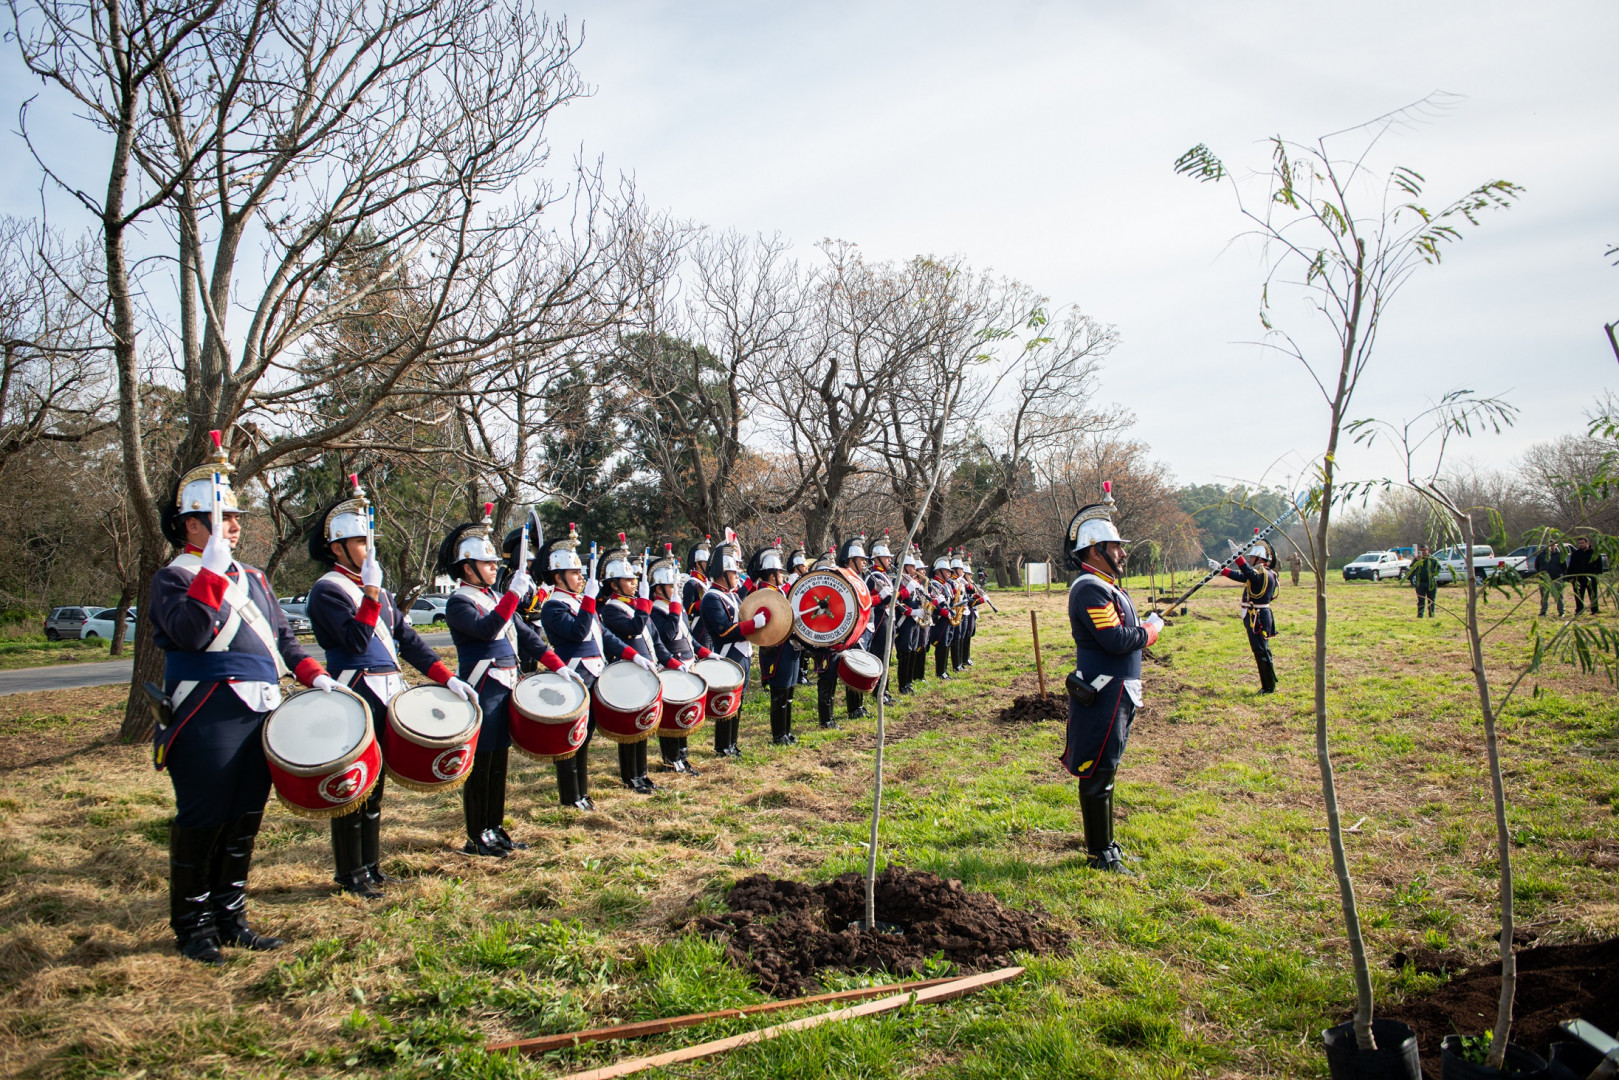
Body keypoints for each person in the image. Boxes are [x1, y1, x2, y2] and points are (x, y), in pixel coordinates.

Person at [149, 432, 334, 963]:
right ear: (192, 524)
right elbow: (190, 633)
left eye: (235, 518)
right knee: (204, 816)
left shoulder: (253, 577)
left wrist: (314, 677)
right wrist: (208, 571)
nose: (235, 527)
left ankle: (232, 917)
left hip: (262, 708)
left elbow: (283, 640)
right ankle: (193, 926)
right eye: (224, 518)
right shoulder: (174, 577)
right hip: (208, 712)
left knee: (245, 815)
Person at [305, 480, 476, 898]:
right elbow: (357, 641)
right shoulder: (327, 591)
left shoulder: (378, 591)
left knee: (377, 785)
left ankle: (371, 867)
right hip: (355, 693)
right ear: (337, 548)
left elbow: (409, 641)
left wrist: (445, 676)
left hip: (388, 692)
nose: (370, 549)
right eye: (361, 542)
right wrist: (368, 594)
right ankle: (350, 873)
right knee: (355, 784)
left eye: (369, 540)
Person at [441, 505, 563, 854]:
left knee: (499, 764)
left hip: (504, 687)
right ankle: (476, 835)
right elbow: (486, 629)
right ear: (468, 568)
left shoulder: (493, 597)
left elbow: (526, 636)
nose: (496, 567)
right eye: (488, 563)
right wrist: (512, 595)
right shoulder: (459, 603)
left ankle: (495, 828)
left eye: (496, 562)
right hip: (482, 689)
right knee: (481, 766)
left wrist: (556, 664)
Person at [1062, 481, 1163, 873]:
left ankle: (1107, 846)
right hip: (1102, 694)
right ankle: (1098, 854)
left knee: (1109, 770)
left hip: (1119, 692)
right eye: (1116, 546)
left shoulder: (1108, 587)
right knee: (1097, 772)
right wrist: (1151, 631)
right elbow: (1115, 640)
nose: (1122, 553)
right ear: (1095, 550)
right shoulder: (1088, 589)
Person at [538, 524, 648, 804]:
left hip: (594, 674)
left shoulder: (578, 603)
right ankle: (570, 795)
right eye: (574, 573)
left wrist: (632, 655)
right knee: (572, 737)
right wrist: (588, 599)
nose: (580, 577)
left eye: (579, 572)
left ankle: (582, 792)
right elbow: (577, 631)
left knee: (585, 737)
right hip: (573, 675)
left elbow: (605, 637)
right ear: (558, 576)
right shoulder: (554, 606)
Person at [596, 534, 667, 793]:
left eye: (634, 579)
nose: (634, 584)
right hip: (625, 671)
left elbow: (651, 637)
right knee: (630, 727)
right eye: (628, 580)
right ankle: (631, 776)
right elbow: (634, 629)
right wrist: (645, 604)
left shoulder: (634, 606)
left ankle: (643, 773)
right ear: (614, 584)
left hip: (644, 669)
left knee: (644, 724)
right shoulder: (612, 609)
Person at [698, 530, 770, 755]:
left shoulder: (729, 594)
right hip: (729, 652)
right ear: (722, 573)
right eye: (733, 571)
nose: (736, 575)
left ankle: (732, 743)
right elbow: (725, 630)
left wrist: (754, 578)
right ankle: (722, 745)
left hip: (743, 652)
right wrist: (753, 625)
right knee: (727, 700)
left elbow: (745, 600)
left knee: (740, 699)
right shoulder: (711, 597)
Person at [645, 543, 713, 772]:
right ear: (658, 589)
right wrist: (675, 608)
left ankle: (683, 757)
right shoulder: (656, 611)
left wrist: (704, 652)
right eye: (669, 586)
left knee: (684, 713)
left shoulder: (675, 608)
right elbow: (669, 633)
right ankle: (671, 758)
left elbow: (687, 636)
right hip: (669, 665)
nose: (675, 590)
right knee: (672, 716)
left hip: (686, 663)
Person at [1208, 538, 1279, 693]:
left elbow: (1247, 572)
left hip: (1258, 616)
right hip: (1255, 615)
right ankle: (1269, 683)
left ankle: (1268, 687)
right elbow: (1242, 576)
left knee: (1261, 651)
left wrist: (1238, 556)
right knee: (1261, 650)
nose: (1249, 560)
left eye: (1251, 558)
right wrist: (1220, 568)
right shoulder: (1260, 573)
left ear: (1260, 559)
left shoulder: (1264, 574)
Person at [750, 541, 802, 745]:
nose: (782, 574)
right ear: (772, 574)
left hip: (789, 646)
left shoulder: (777, 591)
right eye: (779, 571)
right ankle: (778, 735)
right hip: (777, 648)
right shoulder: (764, 593)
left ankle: (786, 732)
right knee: (779, 693)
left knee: (788, 692)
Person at [864, 532, 898, 705]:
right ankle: (878, 691)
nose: (889, 560)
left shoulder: (883, 575)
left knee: (887, 656)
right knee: (880, 655)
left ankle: (885, 690)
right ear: (877, 558)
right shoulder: (872, 575)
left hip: (888, 618)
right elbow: (867, 600)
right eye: (887, 557)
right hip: (878, 619)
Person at [928, 555, 955, 681]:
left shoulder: (947, 585)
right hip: (939, 619)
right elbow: (934, 602)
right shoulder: (934, 584)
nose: (949, 573)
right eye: (947, 571)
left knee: (947, 643)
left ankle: (944, 670)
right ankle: (940, 671)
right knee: (941, 644)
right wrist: (944, 612)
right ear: (938, 571)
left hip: (948, 617)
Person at [683, 536, 713, 650]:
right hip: (699, 626)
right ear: (697, 563)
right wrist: (702, 603)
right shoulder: (691, 584)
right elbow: (686, 609)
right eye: (706, 562)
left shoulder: (708, 582)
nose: (708, 564)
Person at [1570, 536, 1602, 615]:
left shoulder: (1594, 553)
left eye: (1582, 543)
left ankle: (1594, 610)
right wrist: (1571, 577)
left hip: (1591, 577)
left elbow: (1599, 566)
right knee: (1579, 595)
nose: (1581, 545)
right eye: (1579, 543)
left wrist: (1597, 576)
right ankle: (1579, 610)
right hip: (1579, 578)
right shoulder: (1576, 554)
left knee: (1593, 594)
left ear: (1587, 543)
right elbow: (1571, 566)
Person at [1407, 544, 1441, 619]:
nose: (1423, 552)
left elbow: (1438, 567)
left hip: (1430, 583)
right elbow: (1412, 567)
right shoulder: (1418, 559)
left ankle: (1432, 615)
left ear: (1428, 551)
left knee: (1431, 600)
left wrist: (1433, 573)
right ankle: (1420, 615)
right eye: (1421, 551)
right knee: (1421, 600)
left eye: (1424, 550)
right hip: (1420, 583)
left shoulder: (1432, 559)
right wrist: (1416, 561)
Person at [1537, 540, 1566, 618]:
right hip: (1544, 579)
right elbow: (1537, 565)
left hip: (1556, 578)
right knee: (1544, 596)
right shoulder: (1541, 555)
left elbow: (1564, 567)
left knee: (1559, 596)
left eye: (1552, 545)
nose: (1551, 547)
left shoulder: (1560, 555)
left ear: (1556, 546)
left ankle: (1561, 612)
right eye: (1549, 545)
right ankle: (1543, 612)